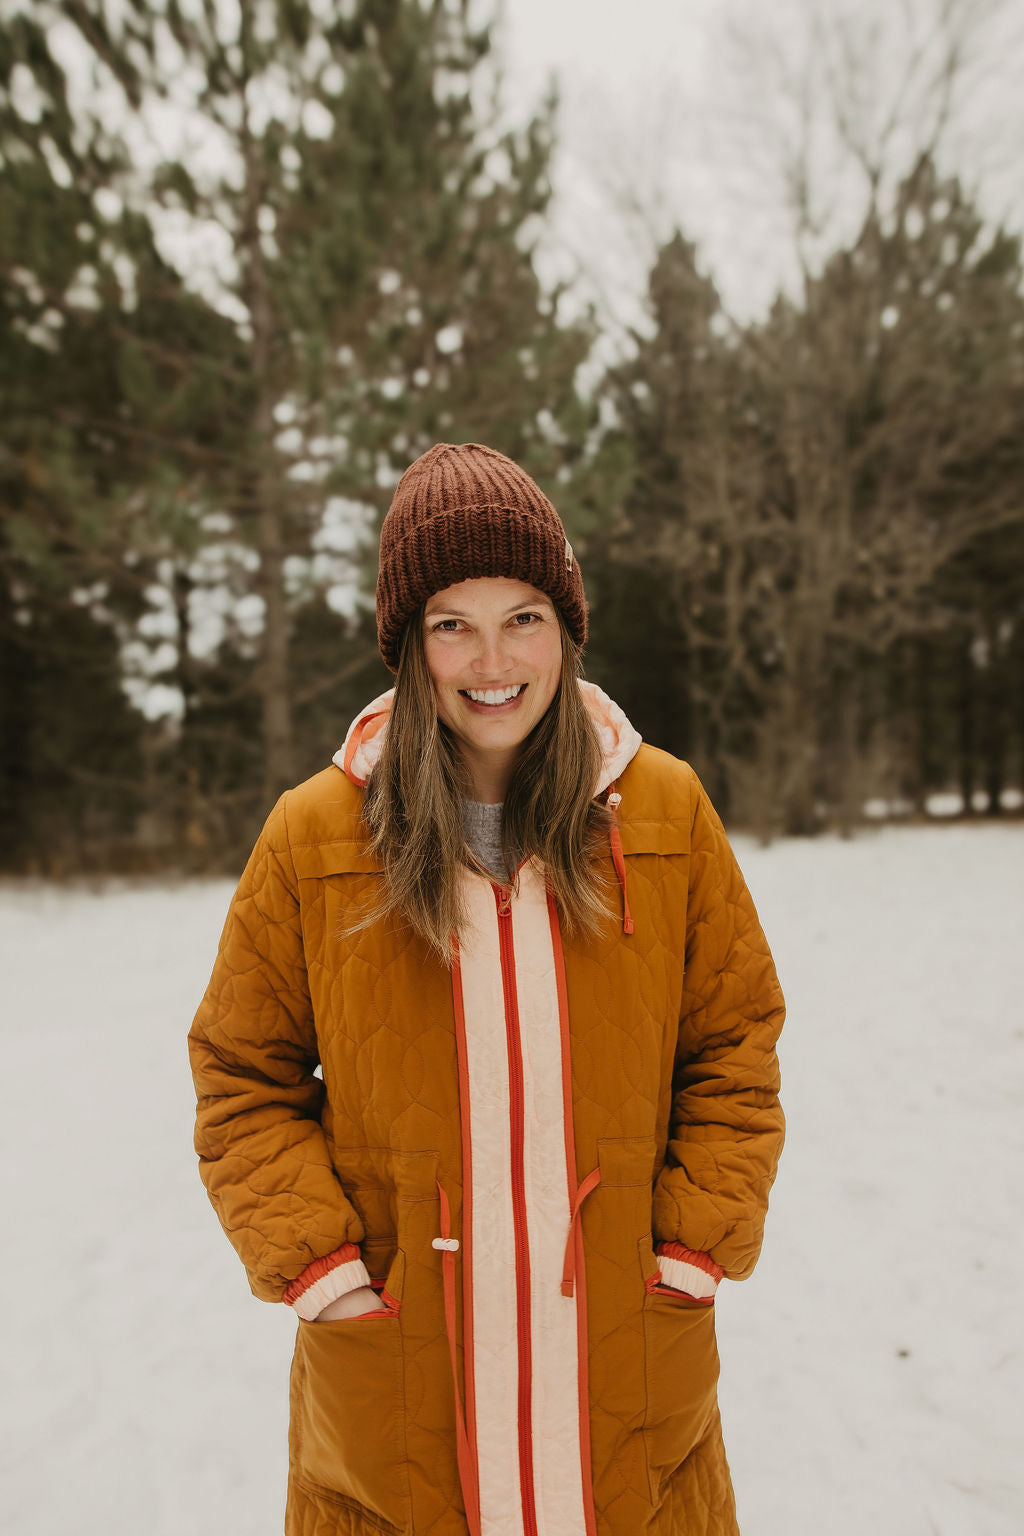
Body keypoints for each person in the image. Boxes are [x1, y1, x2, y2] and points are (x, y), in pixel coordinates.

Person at [189, 441, 785, 1536]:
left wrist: (689, 1252)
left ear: (565, 626)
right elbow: (240, 1076)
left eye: (522, 617)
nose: (490, 658)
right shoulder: (317, 834)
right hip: (400, 1383)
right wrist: (326, 1274)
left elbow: (735, 1043)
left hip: (624, 1369)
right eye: (450, 623)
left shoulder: (664, 813)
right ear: (408, 647)